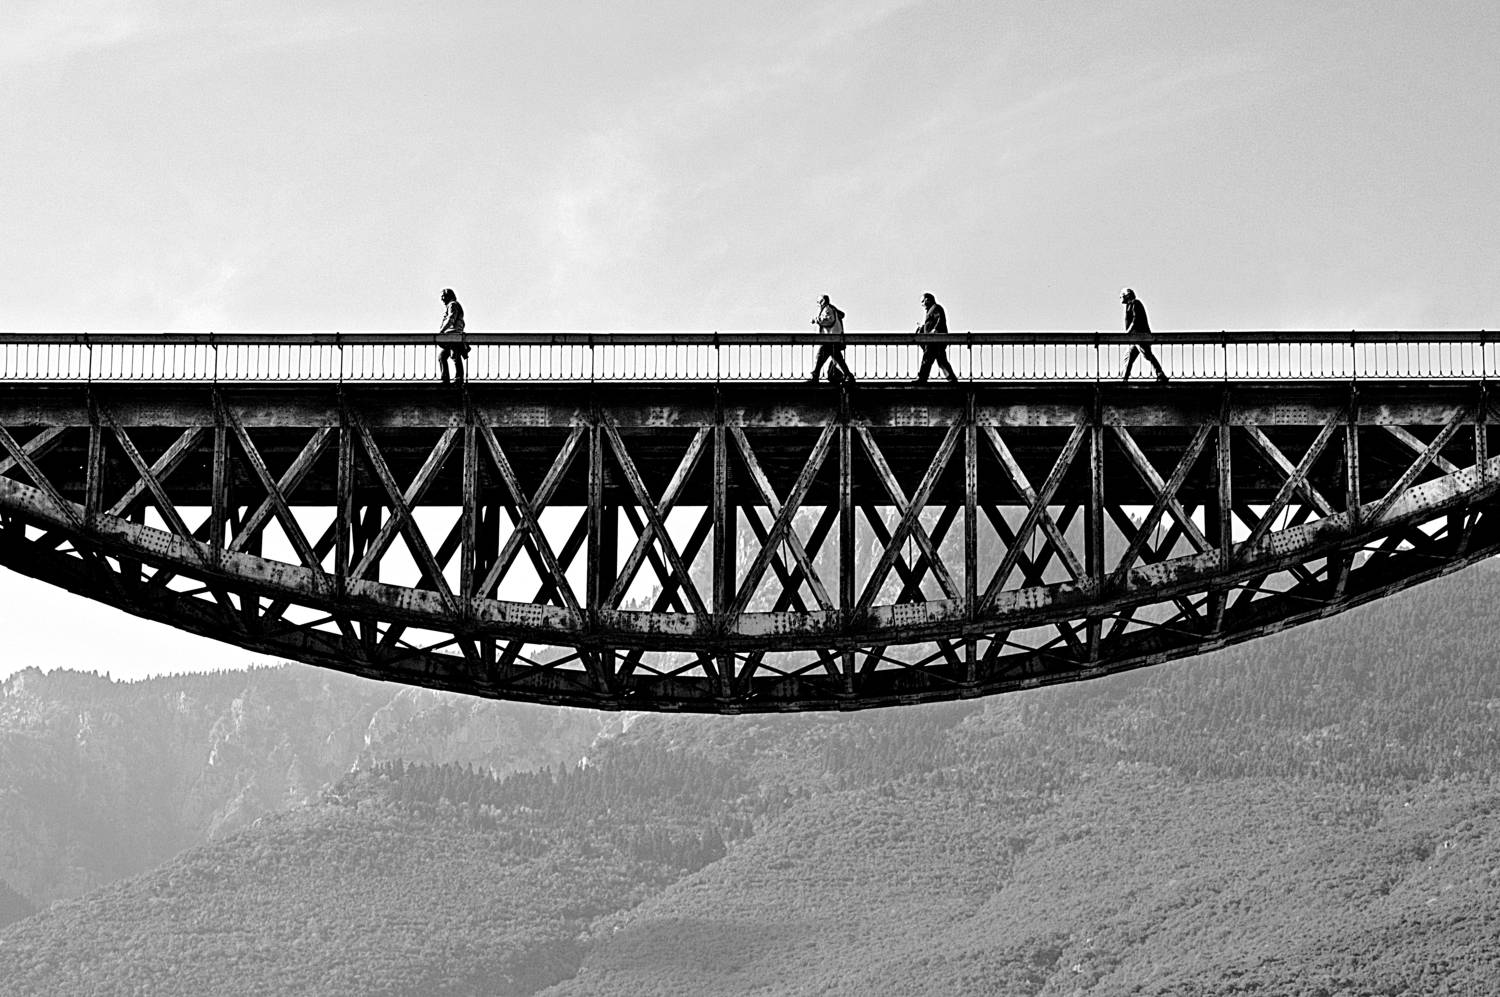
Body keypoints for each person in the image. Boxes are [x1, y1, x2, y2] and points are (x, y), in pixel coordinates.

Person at [1119, 288, 1167, 383]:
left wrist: (1128, 332)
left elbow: (1135, 320)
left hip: (1140, 335)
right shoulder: (1129, 305)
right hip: (1135, 337)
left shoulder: (1135, 303)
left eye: (1121, 296)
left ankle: (1160, 374)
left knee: (1146, 354)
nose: (1120, 298)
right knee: (1129, 357)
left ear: (1127, 296)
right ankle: (1124, 379)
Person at [808, 294, 855, 385]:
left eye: (818, 302)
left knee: (821, 357)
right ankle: (848, 376)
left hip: (829, 338)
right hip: (833, 338)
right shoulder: (832, 309)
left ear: (822, 302)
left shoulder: (827, 309)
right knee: (836, 358)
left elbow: (829, 320)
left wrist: (816, 320)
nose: (818, 304)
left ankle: (815, 376)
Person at [912, 291, 958, 384]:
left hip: (934, 340)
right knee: (941, 360)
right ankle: (952, 379)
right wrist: (922, 329)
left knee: (927, 359)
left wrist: (934, 330)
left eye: (922, 301)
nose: (922, 304)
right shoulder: (932, 310)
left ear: (928, 300)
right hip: (935, 340)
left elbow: (940, 319)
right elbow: (932, 323)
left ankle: (922, 379)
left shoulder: (935, 308)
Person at [436, 288, 469, 385]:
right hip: (450, 335)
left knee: (454, 355)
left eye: (443, 296)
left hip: (454, 335)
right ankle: (446, 379)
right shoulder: (451, 305)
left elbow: (451, 319)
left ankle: (459, 379)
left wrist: (442, 331)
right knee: (442, 356)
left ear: (448, 296)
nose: (442, 299)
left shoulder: (453, 304)